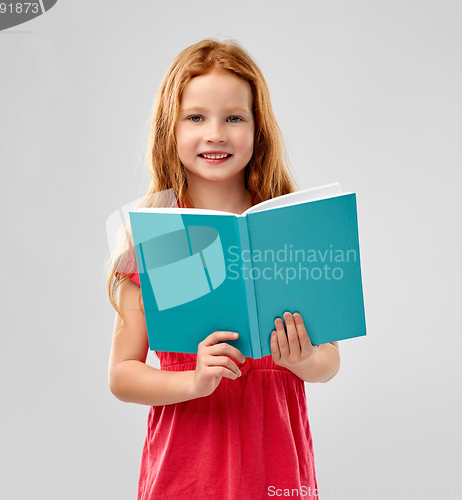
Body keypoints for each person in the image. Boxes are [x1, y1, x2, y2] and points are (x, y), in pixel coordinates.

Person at [106, 38, 340, 500]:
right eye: (196, 117)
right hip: (187, 472)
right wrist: (193, 379)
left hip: (274, 466)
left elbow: (330, 360)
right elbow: (121, 375)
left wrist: (306, 359)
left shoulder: (290, 227)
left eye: (234, 117)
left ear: (258, 130)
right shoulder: (149, 236)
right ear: (169, 129)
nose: (216, 133)